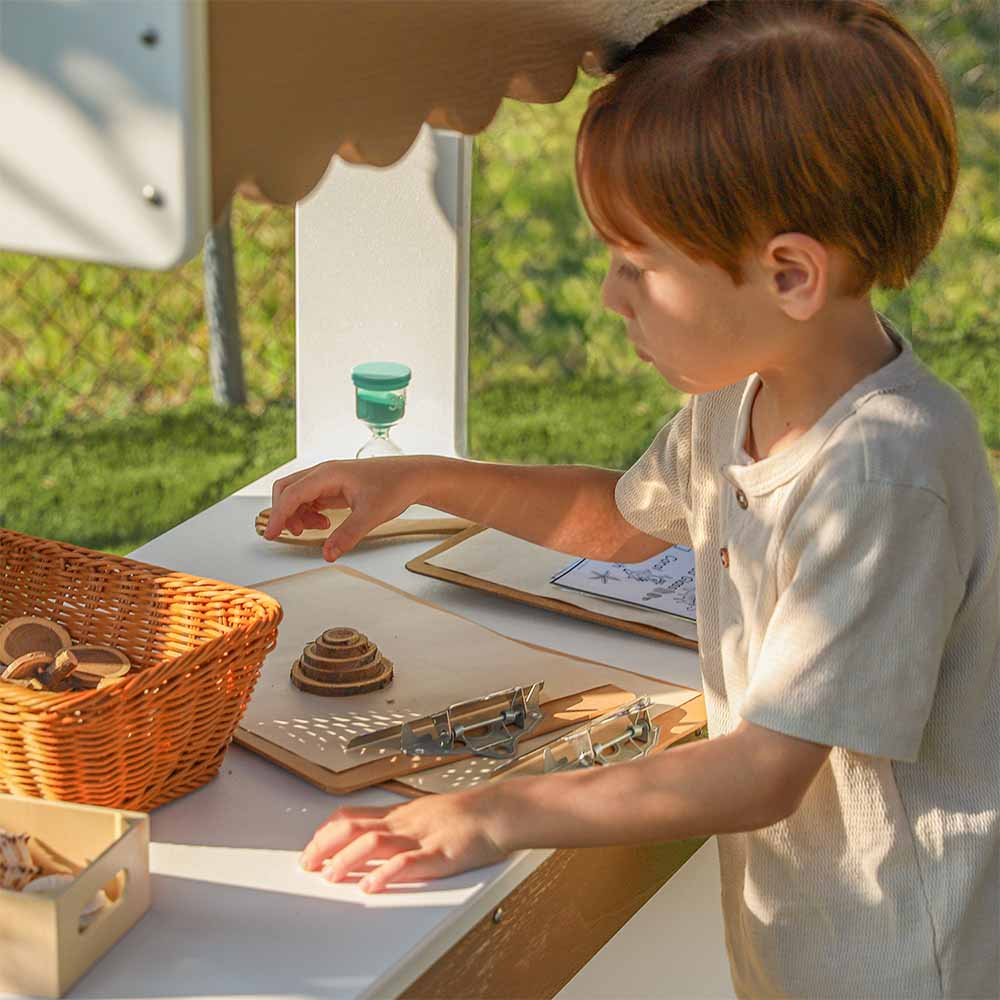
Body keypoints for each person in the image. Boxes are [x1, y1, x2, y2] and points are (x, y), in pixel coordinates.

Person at [265, 2, 999, 996]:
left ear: (787, 273)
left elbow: (760, 772)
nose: (611, 298)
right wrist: (418, 477)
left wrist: (498, 807)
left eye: (635, 263)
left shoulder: (886, 474)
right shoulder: (743, 395)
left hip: (905, 961)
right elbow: (617, 517)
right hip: (809, 937)